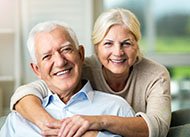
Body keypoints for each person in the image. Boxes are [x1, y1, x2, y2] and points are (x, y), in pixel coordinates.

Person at [10, 8, 171, 137]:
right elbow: (31, 90)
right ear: (96, 47)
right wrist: (49, 125)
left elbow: (157, 127)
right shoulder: (79, 67)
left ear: (137, 44)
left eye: (126, 43)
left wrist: (97, 122)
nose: (118, 52)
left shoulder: (154, 75)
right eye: (108, 43)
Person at [0, 21, 135, 137]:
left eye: (66, 49)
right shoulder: (18, 120)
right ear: (36, 70)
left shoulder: (118, 109)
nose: (60, 62)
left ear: (81, 54)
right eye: (47, 56)